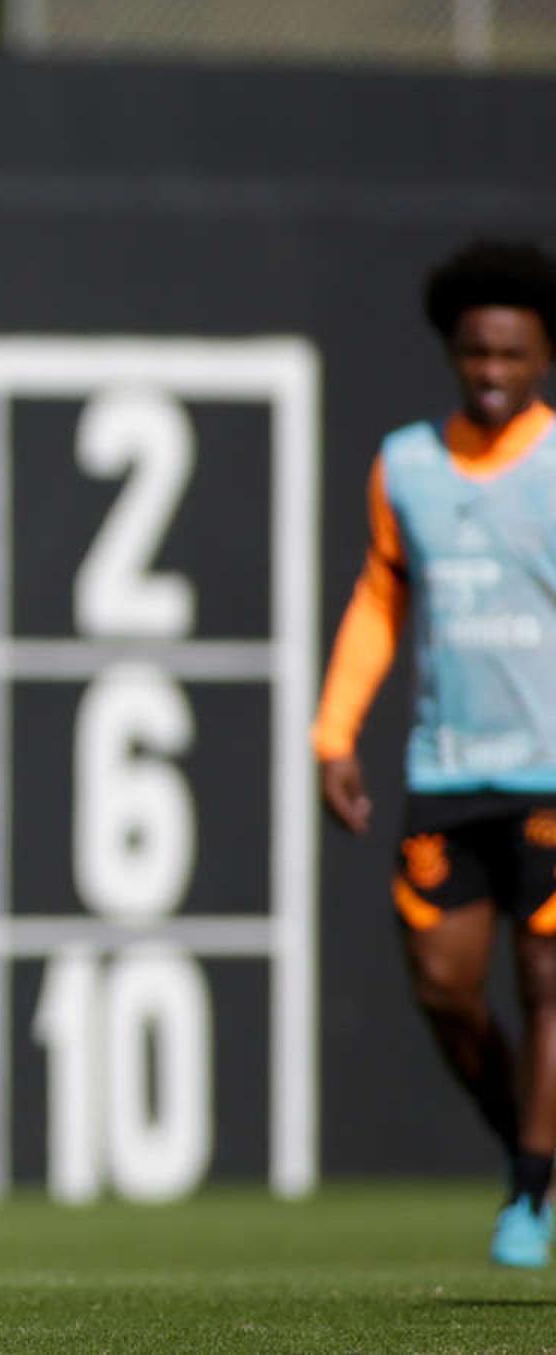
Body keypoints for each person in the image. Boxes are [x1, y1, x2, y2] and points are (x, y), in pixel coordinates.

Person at [313, 239, 556, 1269]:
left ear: (541, 355)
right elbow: (381, 596)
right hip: (450, 772)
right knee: (445, 987)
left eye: (509, 354)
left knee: (548, 975)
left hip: (552, 770)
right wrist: (335, 732)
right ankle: (525, 1150)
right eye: (474, 355)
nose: (491, 373)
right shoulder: (408, 462)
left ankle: (534, 1196)